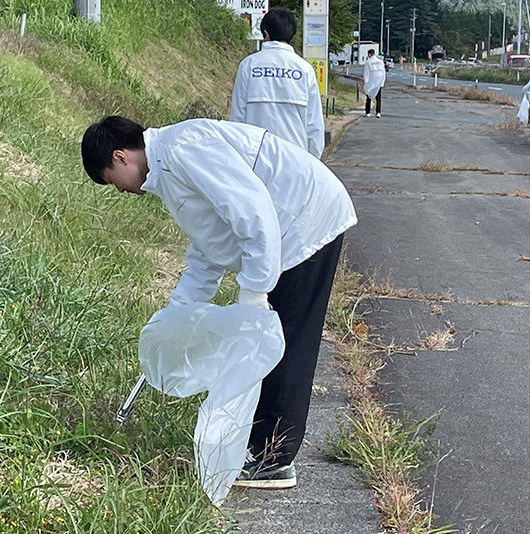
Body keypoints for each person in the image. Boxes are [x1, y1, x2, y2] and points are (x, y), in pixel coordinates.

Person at [81, 116, 357, 489]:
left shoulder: (184, 148)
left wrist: (255, 290)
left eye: (111, 180)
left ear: (120, 157)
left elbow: (252, 210)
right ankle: (259, 447)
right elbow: (208, 247)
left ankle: (272, 460)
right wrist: (176, 317)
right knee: (271, 339)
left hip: (305, 219)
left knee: (286, 341)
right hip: (286, 228)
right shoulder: (169, 169)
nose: (120, 191)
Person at [231, 8, 324, 158]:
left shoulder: (248, 65)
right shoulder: (304, 69)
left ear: (265, 34)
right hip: (296, 159)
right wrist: (313, 162)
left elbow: (237, 118)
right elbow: (314, 125)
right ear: (291, 35)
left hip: (256, 159)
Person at [363, 49, 386, 118]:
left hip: (371, 82)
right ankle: (378, 112)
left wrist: (366, 83)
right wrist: (382, 82)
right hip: (379, 82)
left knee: (369, 97)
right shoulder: (380, 62)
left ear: (369, 54)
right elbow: (383, 73)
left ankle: (368, 112)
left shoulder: (368, 62)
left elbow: (366, 74)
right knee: (378, 98)